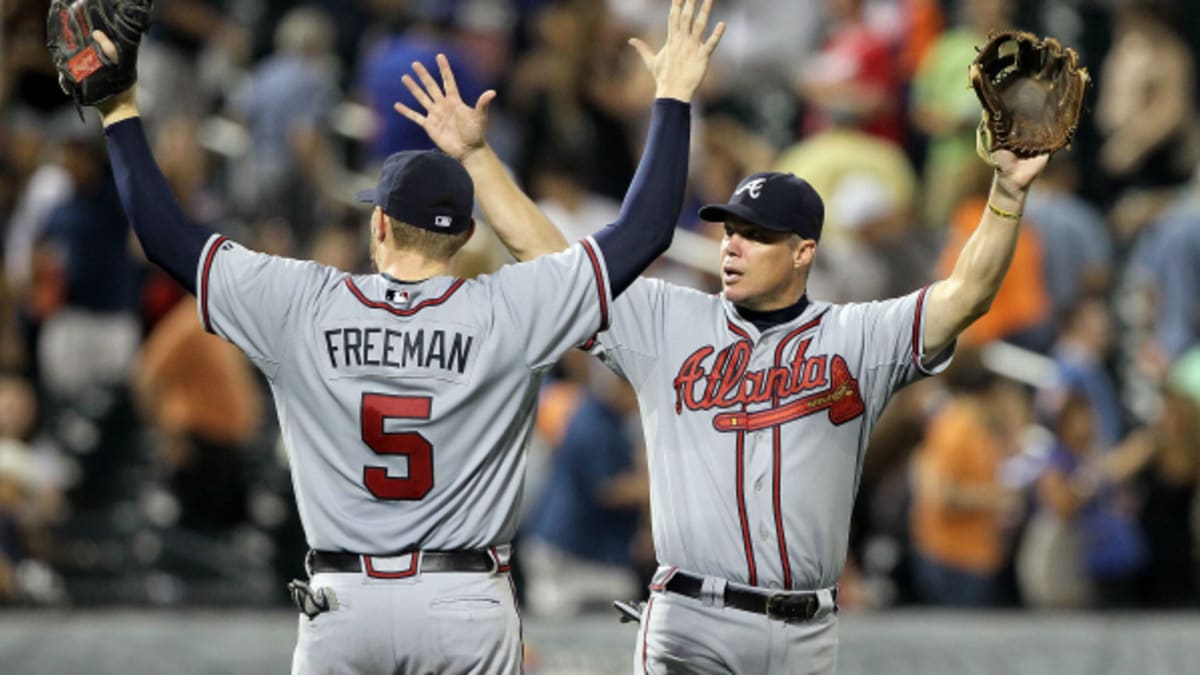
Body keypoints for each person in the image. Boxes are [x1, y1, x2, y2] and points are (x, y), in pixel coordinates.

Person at [74, 0, 724, 671]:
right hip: (465, 599)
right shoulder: (512, 307)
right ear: (467, 235)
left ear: (378, 225)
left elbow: (165, 237)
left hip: (343, 601)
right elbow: (645, 230)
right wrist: (672, 97)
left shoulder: (306, 302)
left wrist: (119, 112)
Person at [404, 33, 1051, 673]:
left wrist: (1008, 196)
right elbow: (550, 259)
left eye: (757, 236)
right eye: (730, 229)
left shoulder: (857, 337)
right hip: (691, 621)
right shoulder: (667, 319)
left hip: (806, 629)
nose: (733, 245)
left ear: (803, 251)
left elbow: (966, 294)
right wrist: (478, 157)